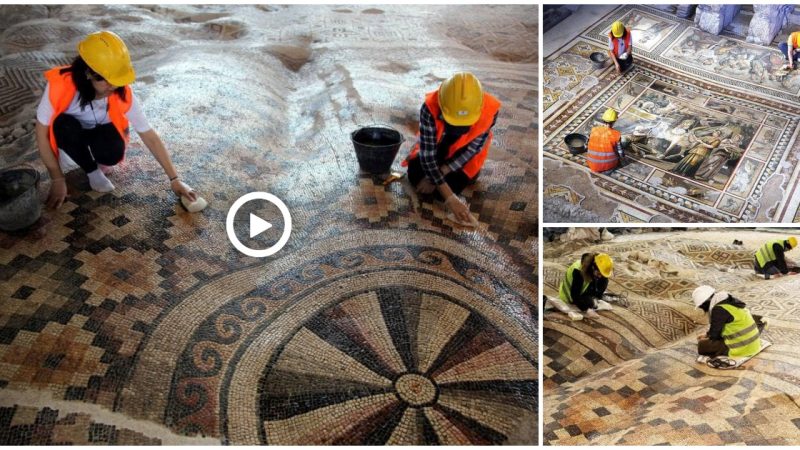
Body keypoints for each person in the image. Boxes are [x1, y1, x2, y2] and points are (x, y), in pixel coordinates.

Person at [35, 30, 197, 210]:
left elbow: (148, 134)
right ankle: (92, 171)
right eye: (107, 80)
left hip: (100, 130)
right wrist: (57, 179)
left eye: (117, 79)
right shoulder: (60, 85)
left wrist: (175, 179)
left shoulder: (122, 91)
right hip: (71, 132)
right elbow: (41, 134)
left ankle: (98, 162)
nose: (113, 86)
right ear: (88, 73)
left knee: (113, 153)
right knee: (63, 126)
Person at [402, 72, 500, 224]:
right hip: (438, 147)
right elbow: (427, 154)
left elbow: (472, 150)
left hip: (463, 154)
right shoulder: (430, 107)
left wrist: (441, 184)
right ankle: (442, 183)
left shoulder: (489, 110)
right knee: (415, 175)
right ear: (442, 106)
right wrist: (450, 198)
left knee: (447, 190)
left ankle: (460, 178)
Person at [692, 285, 767, 362]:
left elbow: (715, 335)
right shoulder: (728, 300)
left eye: (701, 307)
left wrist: (706, 338)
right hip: (754, 345)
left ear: (704, 303)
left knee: (702, 345)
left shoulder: (718, 310)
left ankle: (722, 352)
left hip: (741, 348)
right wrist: (707, 334)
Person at [555, 252, 614, 319]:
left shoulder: (593, 266)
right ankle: (589, 301)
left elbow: (601, 277)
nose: (599, 276)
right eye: (598, 273)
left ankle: (595, 298)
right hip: (569, 295)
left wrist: (597, 297)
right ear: (593, 267)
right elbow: (575, 295)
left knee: (604, 279)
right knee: (590, 303)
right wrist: (587, 309)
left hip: (583, 288)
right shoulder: (578, 271)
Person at [586, 108, 624, 173]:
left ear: (603, 120)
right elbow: (620, 153)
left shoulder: (594, 130)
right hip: (608, 166)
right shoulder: (616, 134)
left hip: (591, 164)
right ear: (614, 121)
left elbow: (588, 143)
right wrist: (622, 156)